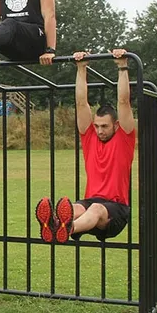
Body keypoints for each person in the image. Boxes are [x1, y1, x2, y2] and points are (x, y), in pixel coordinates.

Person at [35, 49, 136, 243]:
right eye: (96, 126)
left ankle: (62, 230)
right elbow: (81, 103)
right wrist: (81, 68)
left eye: (104, 126)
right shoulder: (90, 138)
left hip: (116, 208)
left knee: (96, 209)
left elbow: (123, 101)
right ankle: (55, 225)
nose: (99, 131)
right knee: (77, 208)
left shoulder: (124, 138)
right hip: (91, 203)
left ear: (116, 125)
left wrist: (122, 66)